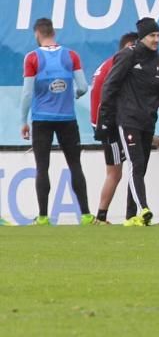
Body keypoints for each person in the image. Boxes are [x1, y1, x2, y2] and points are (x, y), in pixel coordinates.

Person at [96, 17, 159, 227]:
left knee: (140, 168)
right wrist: (105, 119)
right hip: (128, 119)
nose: (156, 39)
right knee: (135, 164)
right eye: (152, 35)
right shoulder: (128, 56)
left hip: (148, 121)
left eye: (158, 35)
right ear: (142, 37)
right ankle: (143, 208)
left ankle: (131, 216)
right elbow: (110, 86)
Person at [20, 17, 92, 226]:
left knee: (42, 167)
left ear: (37, 34)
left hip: (42, 119)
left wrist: (23, 121)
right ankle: (86, 215)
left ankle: (43, 216)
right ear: (53, 33)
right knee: (75, 165)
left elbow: (27, 93)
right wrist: (75, 94)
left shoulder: (32, 58)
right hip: (67, 118)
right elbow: (83, 87)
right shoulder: (71, 55)